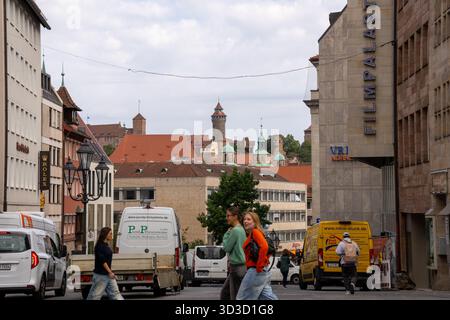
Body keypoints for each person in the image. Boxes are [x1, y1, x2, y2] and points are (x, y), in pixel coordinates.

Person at [236, 211, 278, 300]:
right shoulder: (253, 234)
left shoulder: (255, 232)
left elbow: (265, 247)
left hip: (255, 270)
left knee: (242, 298)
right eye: (244, 219)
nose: (245, 221)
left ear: (255, 222)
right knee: (267, 297)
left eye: (248, 219)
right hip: (262, 271)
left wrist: (259, 266)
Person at [87, 227, 124, 300]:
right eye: (110, 234)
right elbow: (102, 261)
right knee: (95, 297)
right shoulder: (99, 246)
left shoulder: (106, 245)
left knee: (115, 294)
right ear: (105, 235)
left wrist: (110, 273)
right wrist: (110, 272)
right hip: (100, 276)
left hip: (108, 275)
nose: (111, 235)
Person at [220, 206, 247, 300]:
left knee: (234, 296)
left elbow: (226, 248)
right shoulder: (241, 229)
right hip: (240, 266)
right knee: (225, 293)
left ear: (235, 216)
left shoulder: (235, 230)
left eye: (228, 216)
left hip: (237, 267)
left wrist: (226, 234)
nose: (226, 218)